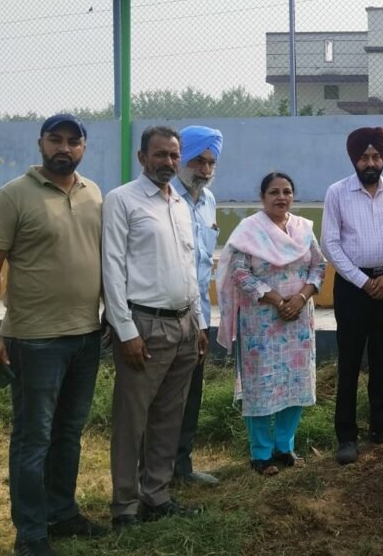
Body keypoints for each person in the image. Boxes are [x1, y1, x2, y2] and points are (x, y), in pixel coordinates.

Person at [0, 114, 106, 556]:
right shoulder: (14, 195)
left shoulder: (94, 194)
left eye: (73, 141)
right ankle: (29, 536)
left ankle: (62, 513)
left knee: (69, 434)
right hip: (34, 340)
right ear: (41, 144)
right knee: (33, 440)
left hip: (87, 337)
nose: (63, 148)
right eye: (55, 140)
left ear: (84, 148)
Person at [102, 125, 208, 527]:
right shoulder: (122, 200)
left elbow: (187, 267)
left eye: (174, 155)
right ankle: (125, 506)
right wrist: (125, 329)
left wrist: (197, 323)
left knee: (168, 416)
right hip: (144, 327)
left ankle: (157, 495)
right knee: (132, 420)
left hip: (183, 325)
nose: (168, 162)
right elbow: (111, 268)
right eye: (160, 154)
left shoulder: (180, 203)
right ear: (142, 157)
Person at [216, 172, 326, 476]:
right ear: (262, 197)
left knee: (295, 382)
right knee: (262, 384)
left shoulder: (303, 229)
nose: (281, 197)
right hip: (261, 323)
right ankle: (261, 454)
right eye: (274, 192)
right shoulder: (248, 231)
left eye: (287, 191)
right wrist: (278, 299)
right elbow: (240, 274)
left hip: (298, 320)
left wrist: (301, 298)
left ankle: (284, 447)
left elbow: (319, 265)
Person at [322, 127, 383, 466]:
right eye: (364, 156)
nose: (370, 162)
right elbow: (330, 243)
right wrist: (361, 280)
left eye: (376, 156)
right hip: (352, 288)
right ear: (354, 159)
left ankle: (380, 426)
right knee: (350, 361)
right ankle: (346, 436)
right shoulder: (337, 193)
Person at [172, 125, 224, 486]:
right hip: (162, 313)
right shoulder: (162, 198)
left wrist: (204, 322)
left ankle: (181, 466)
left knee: (191, 393)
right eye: (197, 160)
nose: (204, 169)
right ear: (179, 161)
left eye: (210, 162)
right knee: (160, 398)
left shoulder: (209, 202)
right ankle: (150, 473)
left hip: (198, 314)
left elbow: (204, 264)